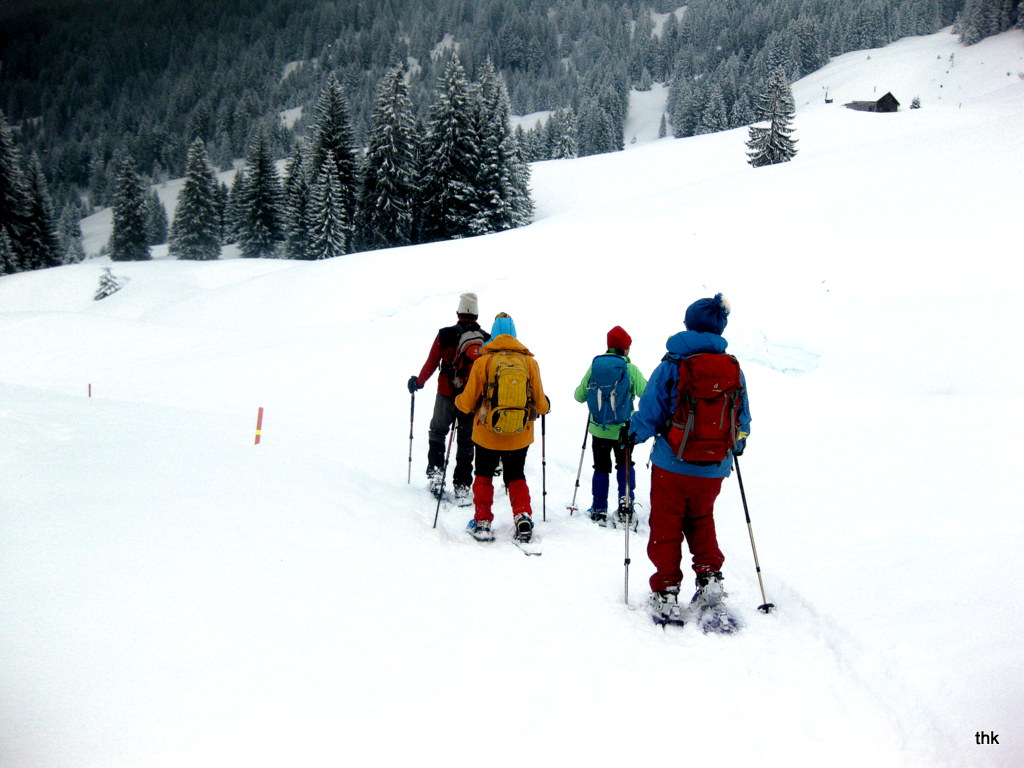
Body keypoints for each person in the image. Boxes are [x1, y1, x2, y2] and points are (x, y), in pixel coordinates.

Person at [624, 294, 750, 624]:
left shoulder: (672, 363)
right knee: (701, 519)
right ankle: (710, 580)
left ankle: (666, 591)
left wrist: (633, 435)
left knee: (666, 524)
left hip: (672, 464)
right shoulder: (733, 368)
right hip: (713, 467)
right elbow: (742, 419)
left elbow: (650, 411)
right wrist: (737, 445)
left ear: (688, 324)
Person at [455, 313, 549, 543]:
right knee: (516, 475)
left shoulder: (483, 361)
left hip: (487, 433)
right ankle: (523, 515)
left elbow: (467, 402)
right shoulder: (529, 363)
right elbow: (541, 403)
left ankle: (482, 521)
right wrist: (545, 406)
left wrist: (458, 401)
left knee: (484, 474)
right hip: (519, 433)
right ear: (514, 334)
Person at [408, 293, 489, 502]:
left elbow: (432, 362)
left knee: (438, 431)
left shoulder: (445, 334)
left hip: (446, 394)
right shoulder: (485, 339)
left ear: (458, 312)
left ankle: (436, 475)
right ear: (476, 314)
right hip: (471, 398)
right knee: (466, 441)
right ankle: (462, 485)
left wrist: (418, 382)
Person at [573, 326, 647, 526]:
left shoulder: (596, 366)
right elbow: (646, 394)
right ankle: (626, 504)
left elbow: (579, 395)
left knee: (601, 467)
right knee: (624, 464)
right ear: (626, 348)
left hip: (599, 429)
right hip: (624, 429)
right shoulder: (630, 369)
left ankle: (598, 508)